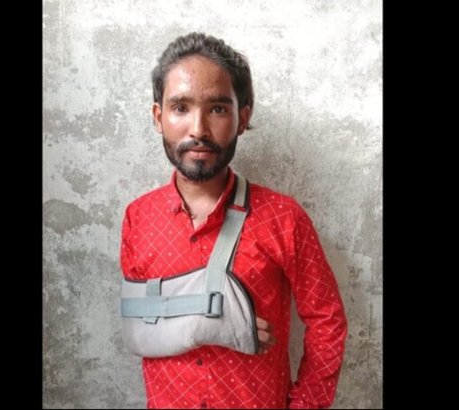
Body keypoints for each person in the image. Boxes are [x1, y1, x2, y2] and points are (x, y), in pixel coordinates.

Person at [119, 32, 347, 409]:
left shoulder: (284, 218)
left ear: (243, 119)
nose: (198, 129)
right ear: (158, 117)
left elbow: (328, 321)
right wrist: (211, 321)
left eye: (218, 109)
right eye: (180, 107)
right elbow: (139, 328)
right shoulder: (137, 218)